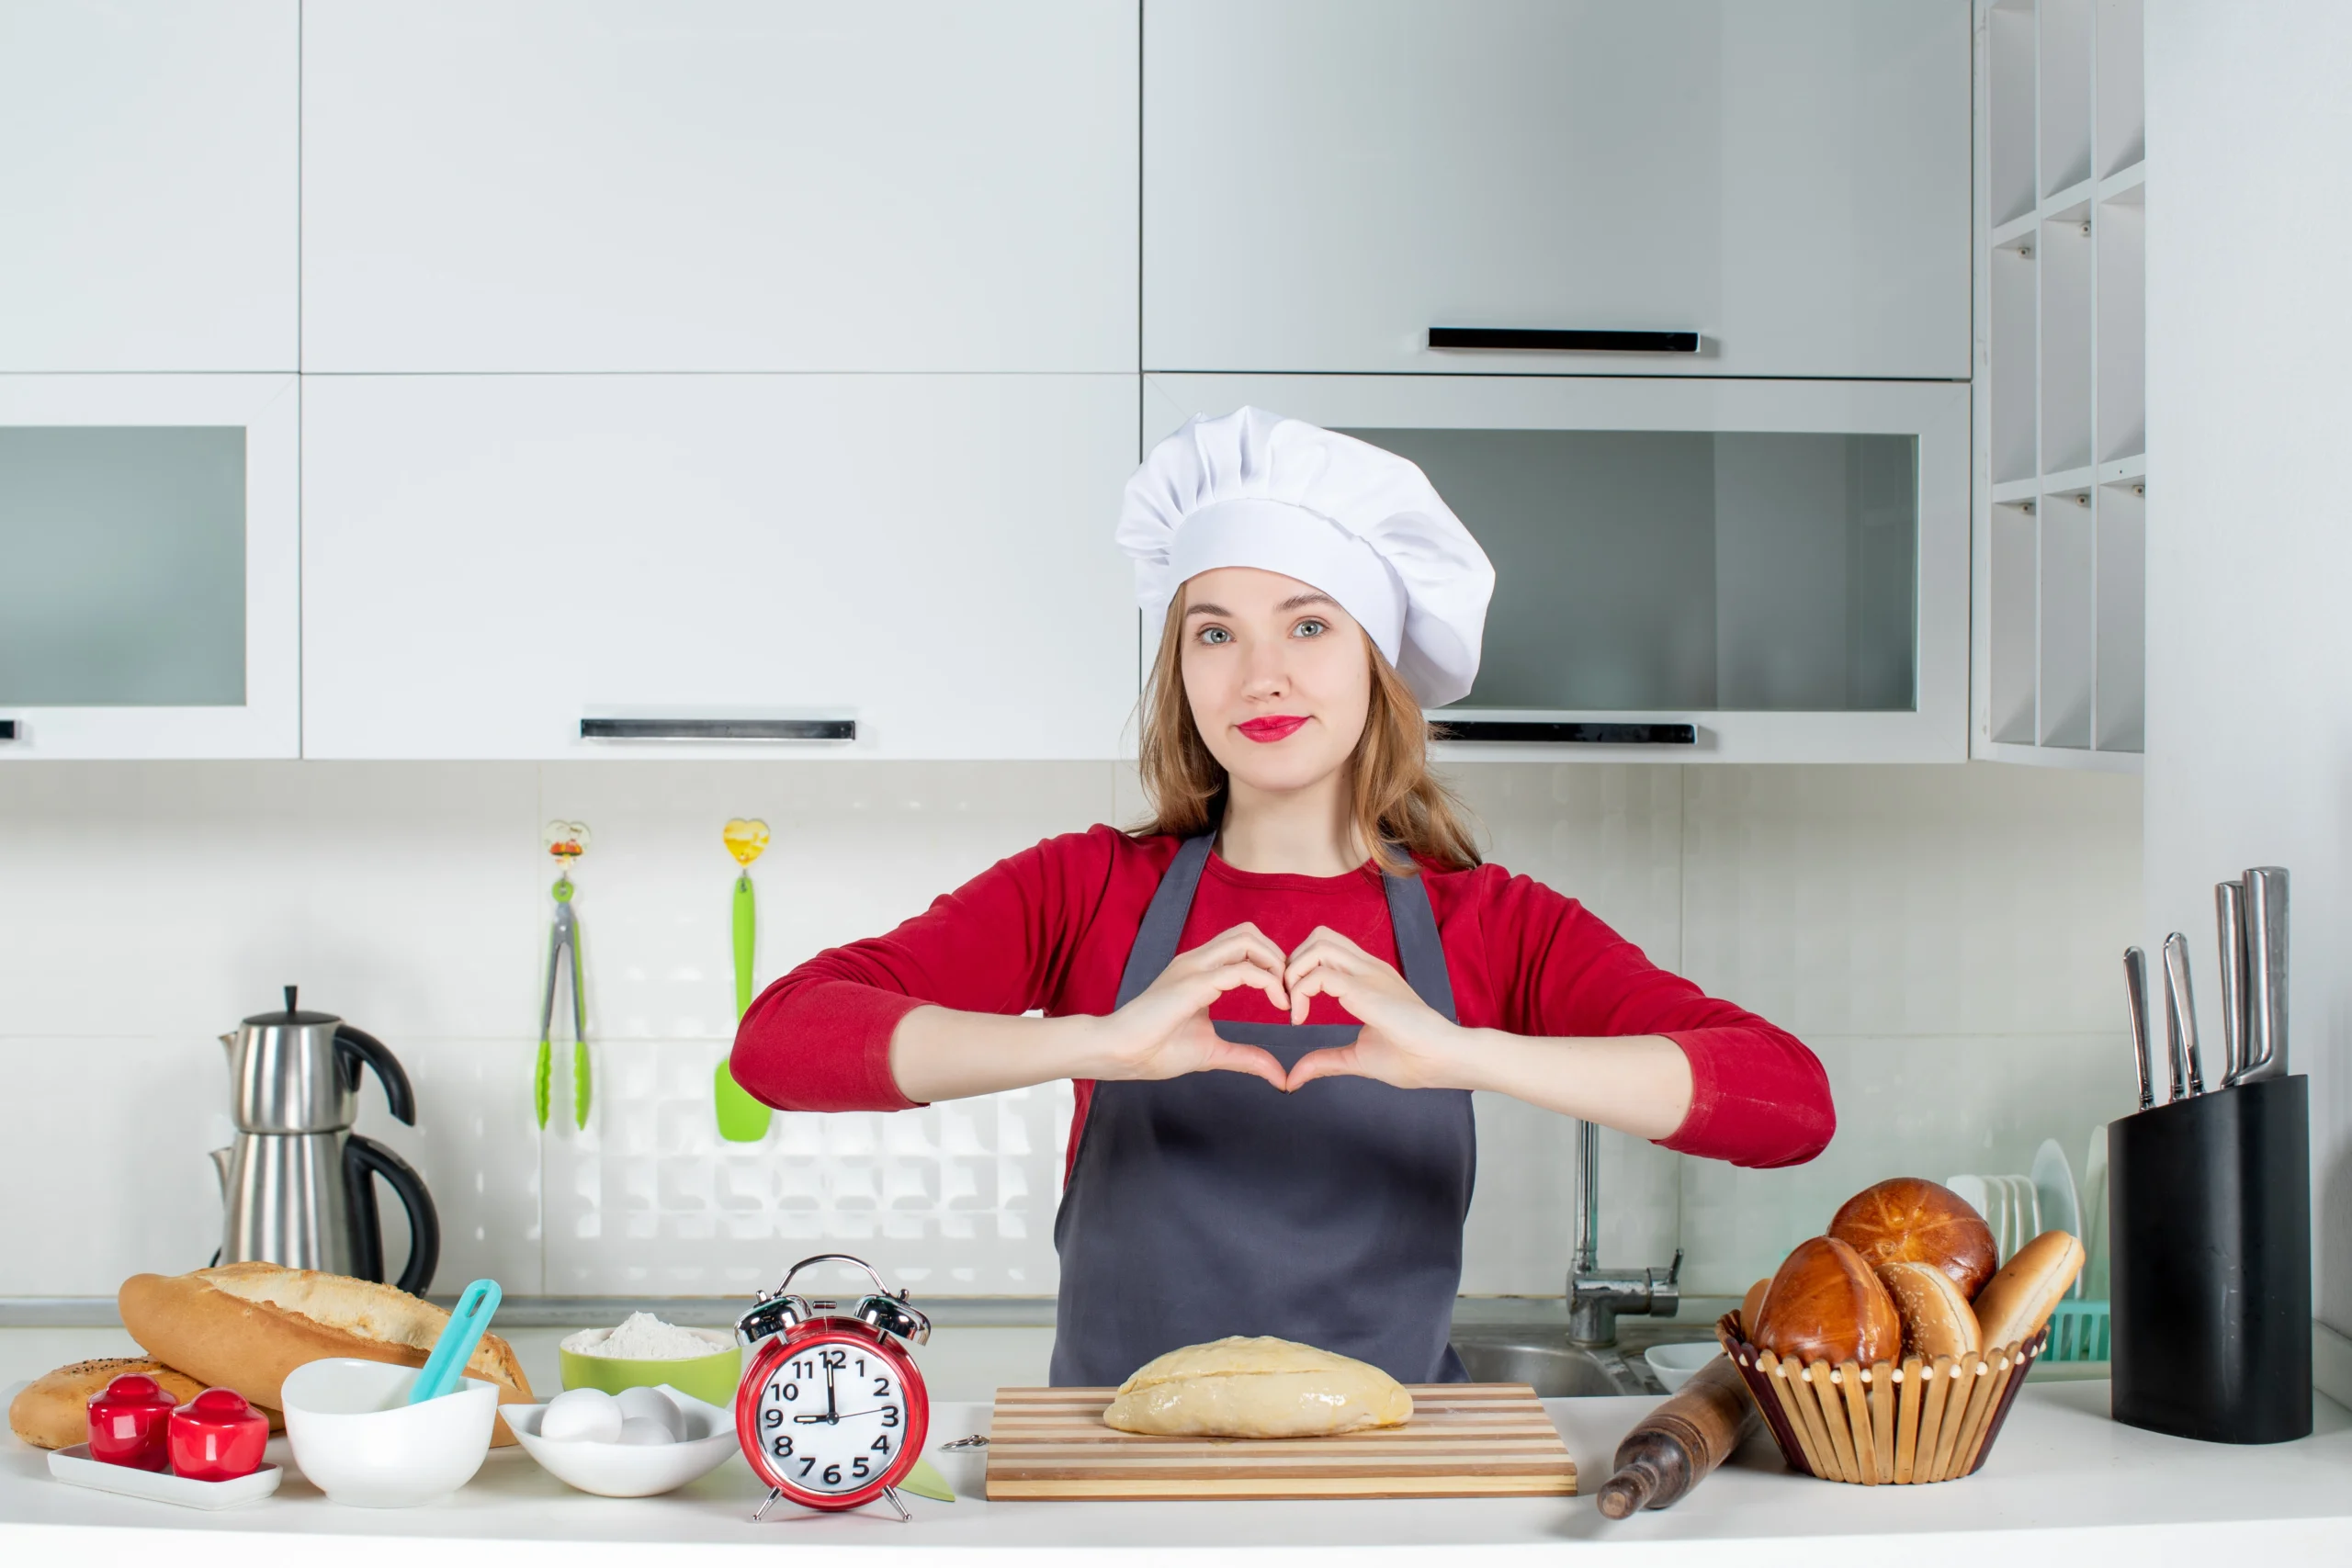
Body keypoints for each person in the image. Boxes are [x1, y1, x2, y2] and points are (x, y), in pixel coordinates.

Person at [730, 407, 1833, 1386]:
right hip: (1117, 1483)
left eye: (1308, 625)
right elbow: (781, 1045)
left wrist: (1465, 1052)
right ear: (1183, 671)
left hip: (1388, 1489)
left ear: (1376, 662)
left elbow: (1786, 1105)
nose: (1260, 674)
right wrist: (1097, 1042)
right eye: (1215, 633)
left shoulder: (1488, 923)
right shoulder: (1081, 889)